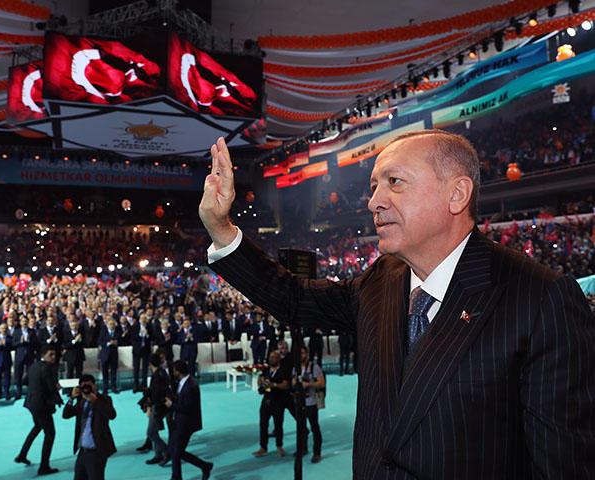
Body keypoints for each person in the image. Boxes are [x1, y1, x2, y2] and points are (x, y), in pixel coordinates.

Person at [200, 133, 595, 478]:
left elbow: (562, 464)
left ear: (456, 194)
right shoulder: (382, 278)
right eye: (373, 186)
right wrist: (222, 229)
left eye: (394, 182)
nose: (374, 201)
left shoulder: (540, 298)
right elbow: (294, 298)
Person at [16, 345, 62, 476]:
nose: (53, 357)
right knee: (50, 433)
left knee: (37, 427)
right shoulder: (47, 368)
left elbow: (25, 381)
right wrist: (56, 389)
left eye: (54, 354)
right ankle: (44, 466)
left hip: (31, 403)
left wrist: (36, 387)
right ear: (44, 355)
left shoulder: (34, 365)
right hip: (41, 405)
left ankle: (22, 455)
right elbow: (51, 387)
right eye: (51, 355)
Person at [164, 360, 213, 480]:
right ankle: (204, 466)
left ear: (178, 371)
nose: (173, 372)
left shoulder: (191, 386)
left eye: (174, 370)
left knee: (176, 452)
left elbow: (187, 408)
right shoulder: (183, 383)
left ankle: (179, 476)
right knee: (176, 452)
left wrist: (172, 405)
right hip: (180, 422)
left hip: (187, 424)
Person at [62, 374, 117, 480]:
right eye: (84, 386)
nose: (86, 388)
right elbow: (66, 415)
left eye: (89, 385)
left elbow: (112, 415)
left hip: (97, 451)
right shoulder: (81, 402)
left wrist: (95, 401)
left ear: (95, 386)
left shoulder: (105, 399)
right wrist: (71, 398)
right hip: (82, 451)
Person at [253, 350, 290, 458]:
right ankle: (263, 447)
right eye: (270, 357)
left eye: (273, 357)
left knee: (278, 425)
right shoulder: (266, 370)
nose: (271, 359)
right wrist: (260, 382)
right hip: (266, 400)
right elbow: (261, 381)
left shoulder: (284, 371)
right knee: (263, 424)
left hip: (278, 401)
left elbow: (286, 385)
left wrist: (273, 384)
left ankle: (279, 446)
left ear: (279, 359)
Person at [292, 346, 324, 463]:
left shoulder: (314, 367)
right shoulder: (296, 368)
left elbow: (321, 383)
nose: (301, 356)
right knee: (301, 428)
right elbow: (293, 381)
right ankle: (303, 449)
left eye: (303, 353)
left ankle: (317, 453)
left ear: (307, 354)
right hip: (299, 402)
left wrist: (308, 384)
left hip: (311, 402)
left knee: (314, 427)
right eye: (299, 354)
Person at [144, 352, 171, 465]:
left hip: (157, 407)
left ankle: (167, 451)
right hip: (161, 406)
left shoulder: (157, 376)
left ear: (150, 363)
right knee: (154, 431)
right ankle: (158, 455)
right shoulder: (162, 372)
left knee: (151, 432)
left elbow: (156, 395)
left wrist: (149, 407)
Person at [12, 316, 37, 399]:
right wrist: (20, 342)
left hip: (29, 356)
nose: (24, 323)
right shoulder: (16, 331)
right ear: (20, 322)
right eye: (23, 321)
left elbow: (35, 343)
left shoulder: (32, 331)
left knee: (30, 374)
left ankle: (30, 392)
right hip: (19, 356)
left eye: (26, 321)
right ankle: (18, 393)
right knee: (18, 375)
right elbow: (13, 344)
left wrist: (29, 341)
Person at [0, 323, 13, 401]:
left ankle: (7, 393)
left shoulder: (9, 338)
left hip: (7, 360)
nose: (3, 330)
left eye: (5, 328)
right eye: (2, 328)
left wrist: (5, 344)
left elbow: (12, 347)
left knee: (7, 378)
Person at [130, 315, 152, 392]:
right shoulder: (135, 326)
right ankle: (136, 386)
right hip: (137, 350)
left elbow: (152, 337)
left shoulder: (149, 326)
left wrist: (147, 335)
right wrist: (140, 335)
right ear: (139, 319)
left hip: (146, 350)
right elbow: (132, 337)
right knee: (136, 368)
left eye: (145, 318)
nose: (143, 320)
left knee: (145, 369)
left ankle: (144, 385)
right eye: (142, 318)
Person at [98, 319, 120, 394]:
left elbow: (120, 341)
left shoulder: (117, 333)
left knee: (114, 372)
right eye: (110, 324)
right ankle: (105, 388)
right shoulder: (103, 332)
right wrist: (108, 343)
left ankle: (114, 387)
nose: (112, 326)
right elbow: (100, 341)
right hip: (105, 354)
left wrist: (116, 343)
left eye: (113, 324)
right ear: (107, 325)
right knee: (105, 372)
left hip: (114, 355)